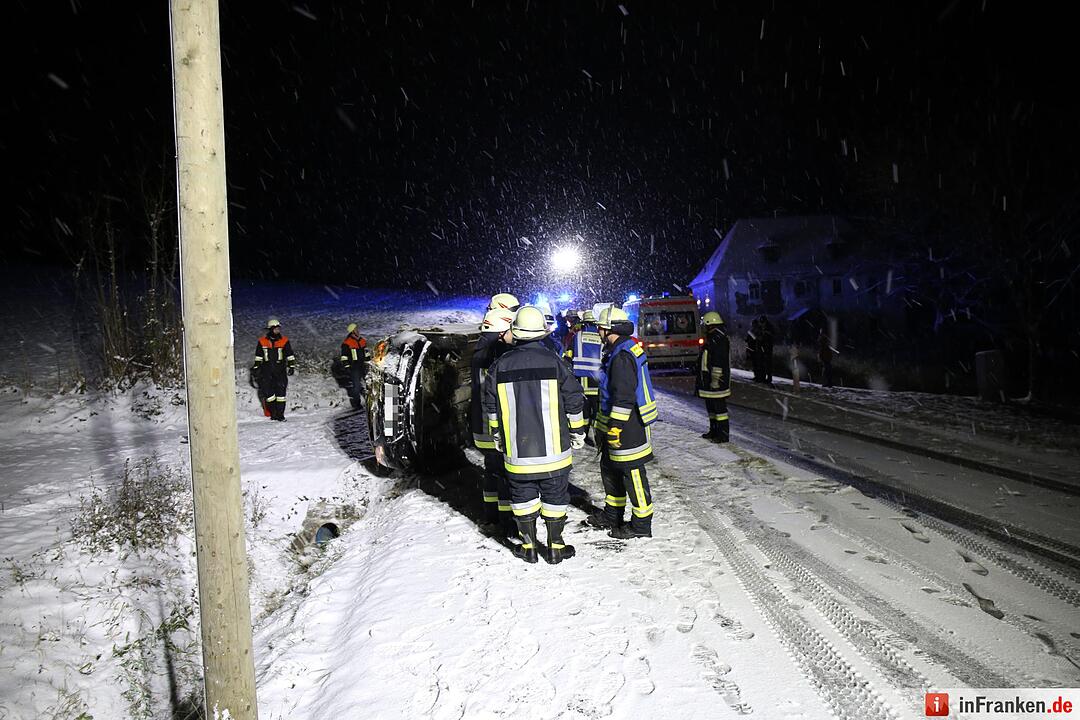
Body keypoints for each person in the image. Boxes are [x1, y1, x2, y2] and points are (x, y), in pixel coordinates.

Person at [483, 306, 588, 564]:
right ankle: (555, 548)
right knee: (555, 498)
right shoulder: (555, 362)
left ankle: (528, 548)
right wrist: (577, 432)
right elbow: (574, 400)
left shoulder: (499, 366)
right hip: (555, 453)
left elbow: (491, 409)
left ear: (515, 333)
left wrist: (498, 437)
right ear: (542, 333)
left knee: (523, 500)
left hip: (518, 453)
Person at [591, 307, 658, 539]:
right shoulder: (621, 348)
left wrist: (616, 427)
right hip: (622, 420)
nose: (598, 330)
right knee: (610, 467)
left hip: (628, 424)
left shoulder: (621, 355)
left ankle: (641, 525)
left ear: (609, 329)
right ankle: (613, 514)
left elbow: (623, 396)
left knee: (633, 472)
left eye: (600, 326)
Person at [470, 307, 516, 536]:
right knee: (505, 474)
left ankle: (491, 516)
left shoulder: (479, 349)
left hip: (481, 424)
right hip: (496, 425)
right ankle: (507, 522)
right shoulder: (499, 351)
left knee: (490, 472)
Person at [563, 309, 603, 442]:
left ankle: (584, 434)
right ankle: (598, 436)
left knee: (584, 410)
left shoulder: (577, 336)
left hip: (581, 380)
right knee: (597, 411)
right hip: (597, 380)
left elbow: (568, 356)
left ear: (584, 323)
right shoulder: (600, 337)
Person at [251, 318, 296, 421]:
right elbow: (258, 356)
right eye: (275, 329)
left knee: (281, 394)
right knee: (269, 394)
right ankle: (273, 413)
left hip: (280, 371)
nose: (277, 330)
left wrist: (291, 366)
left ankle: (280, 415)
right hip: (266, 371)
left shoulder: (284, 341)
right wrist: (256, 367)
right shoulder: (262, 341)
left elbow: (290, 355)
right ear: (270, 329)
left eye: (278, 328)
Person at [697, 312, 731, 442]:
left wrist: (716, 379)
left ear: (710, 324)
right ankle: (714, 431)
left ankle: (723, 435)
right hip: (709, 379)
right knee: (711, 408)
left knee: (720, 410)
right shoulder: (714, 337)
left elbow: (718, 361)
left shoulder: (719, 338)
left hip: (716, 381)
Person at [339, 323, 368, 405]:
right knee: (357, 386)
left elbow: (366, 353)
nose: (358, 331)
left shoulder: (362, 340)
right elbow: (344, 357)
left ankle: (370, 400)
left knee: (369, 383)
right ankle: (356, 403)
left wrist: (369, 362)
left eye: (357, 329)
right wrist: (347, 367)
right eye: (356, 329)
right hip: (354, 367)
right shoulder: (347, 343)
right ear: (352, 332)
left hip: (363, 366)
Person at [759, 315, 775, 384]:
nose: (762, 324)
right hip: (763, 346)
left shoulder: (770, 327)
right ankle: (763, 377)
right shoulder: (762, 327)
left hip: (768, 347)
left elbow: (773, 335)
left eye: (763, 322)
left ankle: (769, 378)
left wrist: (766, 333)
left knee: (768, 363)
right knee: (763, 363)